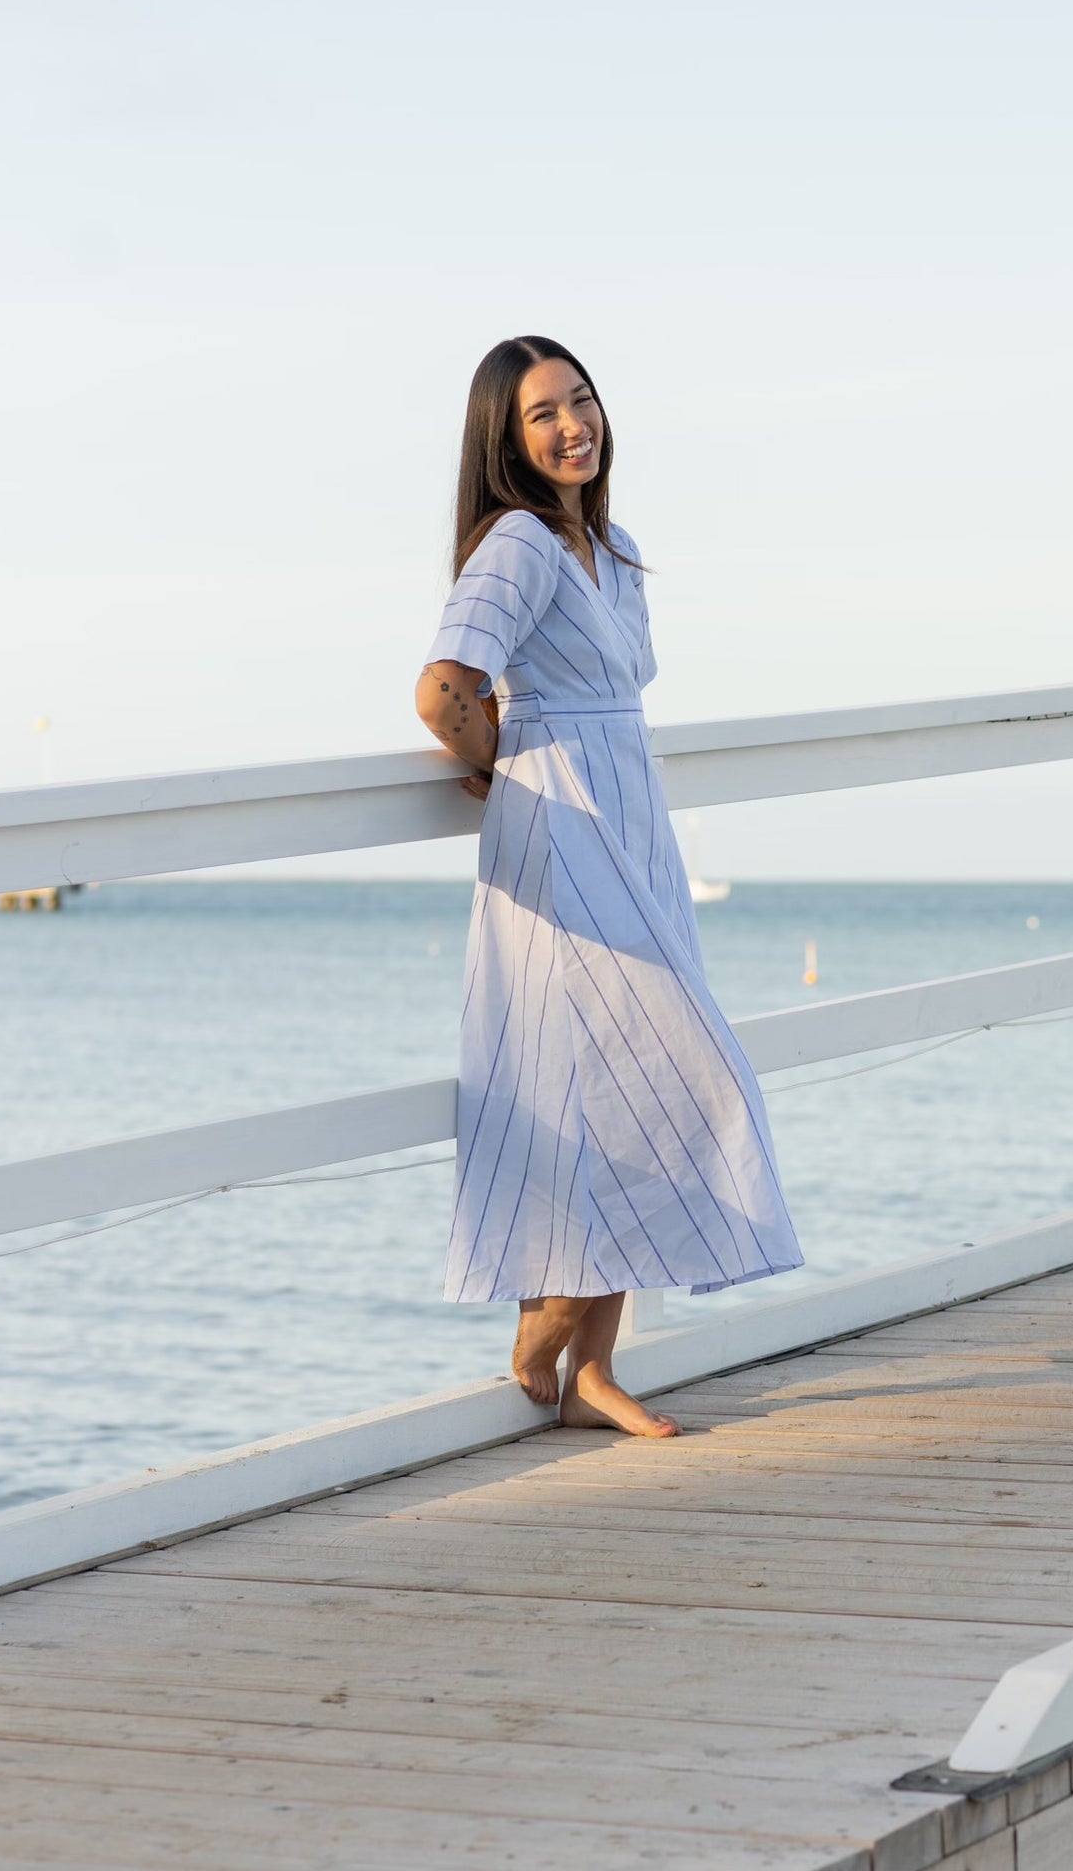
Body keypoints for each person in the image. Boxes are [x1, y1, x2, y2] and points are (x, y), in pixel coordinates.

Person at [415, 336, 803, 1438]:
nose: (569, 424)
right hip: (564, 829)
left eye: (579, 400)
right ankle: (543, 1323)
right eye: (540, 413)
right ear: (505, 439)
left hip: (632, 826)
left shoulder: (612, 545)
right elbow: (444, 688)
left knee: (622, 1085)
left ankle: (589, 1363)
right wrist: (501, 765)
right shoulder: (518, 543)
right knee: (686, 1073)